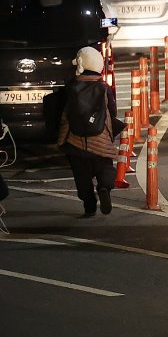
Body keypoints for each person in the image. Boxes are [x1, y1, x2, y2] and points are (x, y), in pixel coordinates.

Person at [56, 47, 119, 217]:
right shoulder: (104, 88)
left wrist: (61, 141)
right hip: (101, 141)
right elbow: (112, 112)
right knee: (105, 169)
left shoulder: (71, 89)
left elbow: (65, 117)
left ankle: (89, 205)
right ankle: (104, 187)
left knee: (82, 178)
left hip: (76, 144)